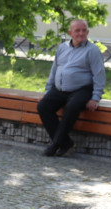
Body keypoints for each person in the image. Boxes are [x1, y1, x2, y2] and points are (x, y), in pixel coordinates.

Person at [37, 19, 106, 157]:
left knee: (72, 107)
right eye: (77, 30)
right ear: (70, 33)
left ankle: (56, 144)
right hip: (60, 89)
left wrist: (95, 97)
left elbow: (99, 75)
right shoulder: (62, 48)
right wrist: (48, 90)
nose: (81, 33)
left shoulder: (92, 50)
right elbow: (54, 70)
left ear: (87, 32)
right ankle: (66, 142)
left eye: (84, 30)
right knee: (43, 106)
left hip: (82, 89)